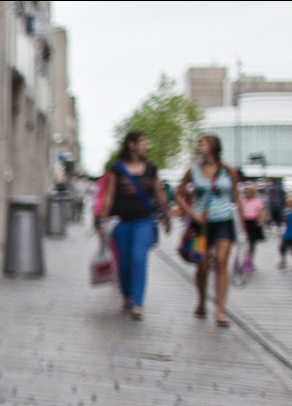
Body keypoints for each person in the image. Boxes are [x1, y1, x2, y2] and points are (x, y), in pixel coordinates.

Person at [96, 131, 171, 320]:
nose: (146, 146)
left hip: (144, 221)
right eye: (143, 143)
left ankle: (137, 303)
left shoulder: (150, 169)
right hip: (121, 223)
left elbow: (159, 193)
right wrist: (102, 220)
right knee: (123, 263)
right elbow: (109, 196)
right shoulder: (117, 169)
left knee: (139, 260)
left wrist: (167, 216)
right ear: (131, 144)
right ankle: (127, 296)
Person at [174, 134, 244, 327]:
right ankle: (202, 301)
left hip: (224, 222)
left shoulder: (228, 171)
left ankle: (220, 310)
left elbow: (236, 198)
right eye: (198, 143)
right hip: (201, 226)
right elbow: (178, 195)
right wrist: (192, 214)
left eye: (202, 143)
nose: (199, 146)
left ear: (213, 147)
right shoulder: (193, 171)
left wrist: (243, 228)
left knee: (221, 262)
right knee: (202, 266)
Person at [240, 183, 265, 265]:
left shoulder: (257, 202)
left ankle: (250, 258)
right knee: (245, 241)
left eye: (250, 192)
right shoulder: (243, 201)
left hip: (253, 223)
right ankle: (244, 257)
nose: (248, 194)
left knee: (252, 242)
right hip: (245, 222)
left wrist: (261, 220)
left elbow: (260, 212)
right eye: (246, 192)